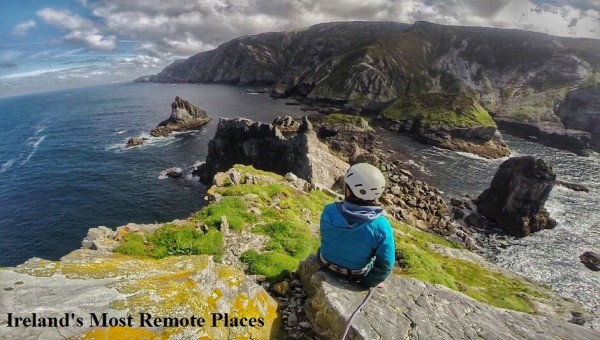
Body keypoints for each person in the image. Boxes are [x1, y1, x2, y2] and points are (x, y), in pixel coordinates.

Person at [318, 163, 395, 288]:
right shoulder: (381, 226)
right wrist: (369, 283)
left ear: (348, 190)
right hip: (355, 274)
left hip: (324, 262)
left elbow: (326, 237)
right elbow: (386, 265)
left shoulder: (329, 210)